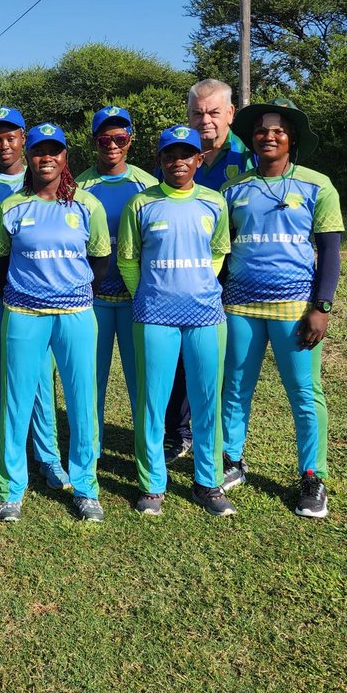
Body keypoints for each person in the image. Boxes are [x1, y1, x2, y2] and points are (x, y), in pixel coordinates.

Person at [219, 98, 342, 518]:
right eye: (261, 130)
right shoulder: (233, 189)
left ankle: (312, 476)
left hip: (295, 308)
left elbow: (329, 252)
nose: (269, 136)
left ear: (291, 138)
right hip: (239, 305)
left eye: (278, 130)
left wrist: (321, 306)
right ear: (251, 137)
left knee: (304, 394)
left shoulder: (317, 184)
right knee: (235, 387)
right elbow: (220, 251)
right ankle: (232, 460)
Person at [0, 123, 110, 523]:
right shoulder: (11, 207)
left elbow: (100, 260)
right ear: (30, 155)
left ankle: (87, 486)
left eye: (54, 150)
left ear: (65, 157)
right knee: (17, 401)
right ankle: (11, 488)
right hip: (24, 314)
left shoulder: (87, 205)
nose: (46, 158)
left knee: (81, 401)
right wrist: (25, 293)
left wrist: (69, 287)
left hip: (75, 314)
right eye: (39, 150)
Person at [118, 125, 234, 517]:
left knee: (206, 400)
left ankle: (208, 481)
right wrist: (147, 296)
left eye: (186, 155)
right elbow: (128, 259)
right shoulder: (142, 204)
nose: (178, 162)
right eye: (170, 155)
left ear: (199, 159)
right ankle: (152, 484)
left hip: (205, 315)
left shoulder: (214, 202)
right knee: (153, 402)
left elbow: (218, 252)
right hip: (154, 316)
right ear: (160, 160)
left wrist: (197, 286)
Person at [0, 108, 68, 492]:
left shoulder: (47, 174)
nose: (3, 145)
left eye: (10, 137)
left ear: (24, 138)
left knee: (40, 373)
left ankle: (48, 456)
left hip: (36, 292)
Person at [162, 80, 256, 462]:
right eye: (198, 113)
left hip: (234, 276)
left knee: (224, 364)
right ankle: (177, 433)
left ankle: (221, 445)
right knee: (181, 359)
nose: (206, 121)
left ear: (230, 114)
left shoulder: (249, 158)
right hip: (183, 277)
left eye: (214, 112)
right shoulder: (176, 154)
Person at [75, 106, 157, 450]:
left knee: (142, 381)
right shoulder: (79, 184)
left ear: (130, 140)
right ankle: (90, 453)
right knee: (91, 380)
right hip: (93, 299)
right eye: (104, 138)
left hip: (137, 299)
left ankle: (145, 453)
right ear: (95, 142)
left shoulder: (149, 184)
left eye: (120, 137)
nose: (112, 145)